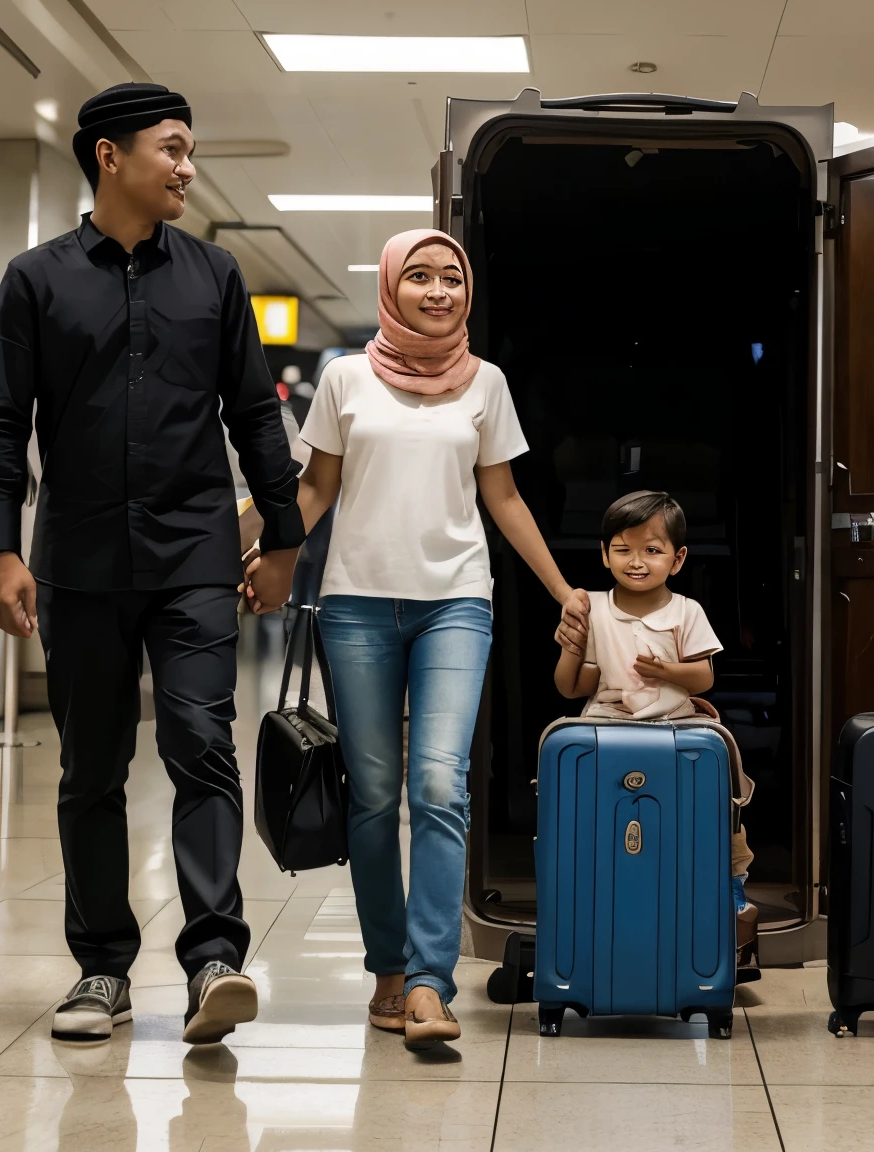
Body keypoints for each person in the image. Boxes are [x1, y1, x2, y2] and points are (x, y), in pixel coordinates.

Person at [0, 83, 304, 1047]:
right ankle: (102, 970)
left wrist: (281, 540)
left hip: (194, 553)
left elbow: (252, 414)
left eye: (190, 149)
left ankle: (214, 960)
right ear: (109, 156)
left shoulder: (214, 273)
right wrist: (1, 550)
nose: (188, 168)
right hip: (75, 560)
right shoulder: (35, 280)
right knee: (91, 768)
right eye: (173, 149)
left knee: (200, 745)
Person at [276, 228, 588, 1051]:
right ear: (392, 286)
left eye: (452, 278)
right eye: (420, 277)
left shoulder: (485, 384)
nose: (438, 290)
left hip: (455, 601)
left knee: (440, 787)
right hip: (355, 604)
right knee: (374, 796)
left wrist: (564, 591)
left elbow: (505, 497)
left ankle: (427, 984)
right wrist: (258, 559)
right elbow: (315, 489)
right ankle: (386, 967)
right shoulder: (345, 378)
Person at [551, 490, 759, 977]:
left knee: (713, 810)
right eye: (623, 550)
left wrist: (666, 670)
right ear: (604, 555)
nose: (637, 562)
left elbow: (704, 677)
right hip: (606, 725)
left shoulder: (686, 612)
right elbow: (572, 686)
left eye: (652, 550)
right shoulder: (593, 607)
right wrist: (570, 647)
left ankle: (731, 896)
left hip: (676, 725)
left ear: (678, 558)